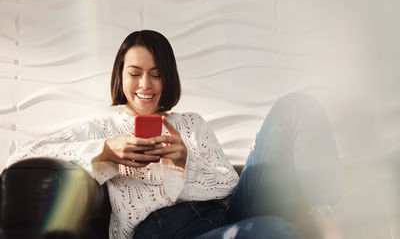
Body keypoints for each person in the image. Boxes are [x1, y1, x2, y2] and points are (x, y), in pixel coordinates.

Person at [7, 30, 342, 239]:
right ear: (120, 77)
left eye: (155, 74)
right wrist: (105, 151)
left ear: (167, 78)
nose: (145, 85)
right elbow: (20, 157)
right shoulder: (103, 127)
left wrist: (186, 162)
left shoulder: (191, 123)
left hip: (226, 214)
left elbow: (228, 183)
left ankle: (331, 226)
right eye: (135, 73)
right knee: (271, 231)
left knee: (295, 106)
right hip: (164, 231)